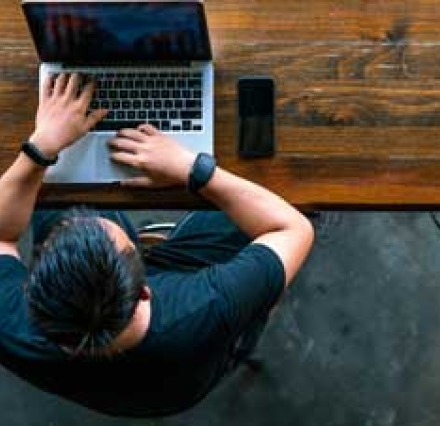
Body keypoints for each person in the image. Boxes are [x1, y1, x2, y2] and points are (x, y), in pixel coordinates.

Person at [0, 73, 314, 417]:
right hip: (189, 371)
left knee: (57, 191)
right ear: (146, 291)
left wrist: (40, 148)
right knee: (277, 191)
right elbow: (292, 229)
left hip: (119, 388)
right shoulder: (209, 306)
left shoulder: (14, 322)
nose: (88, 216)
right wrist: (192, 169)